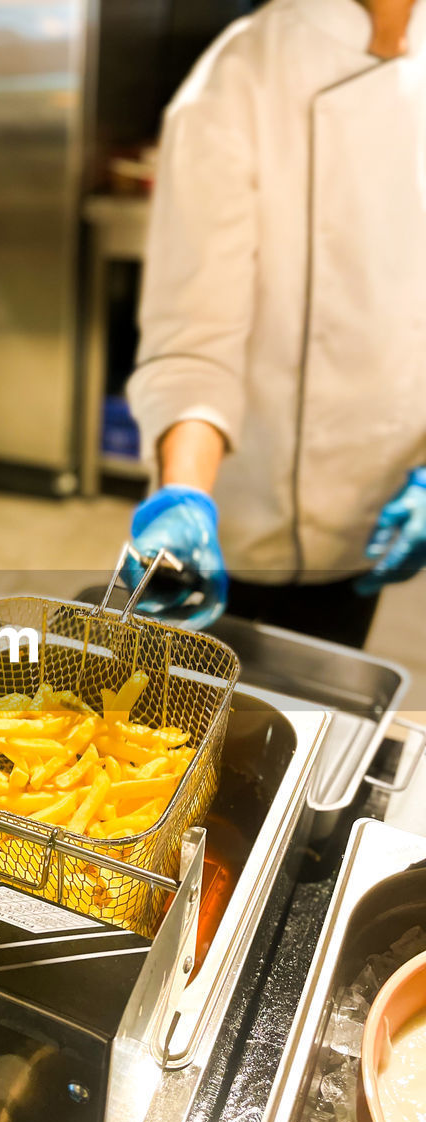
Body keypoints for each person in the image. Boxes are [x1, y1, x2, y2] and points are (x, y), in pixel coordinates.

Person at [123, 0, 426, 647]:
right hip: (243, 522)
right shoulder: (239, 80)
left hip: (383, 507)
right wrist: (183, 500)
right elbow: (195, 341)